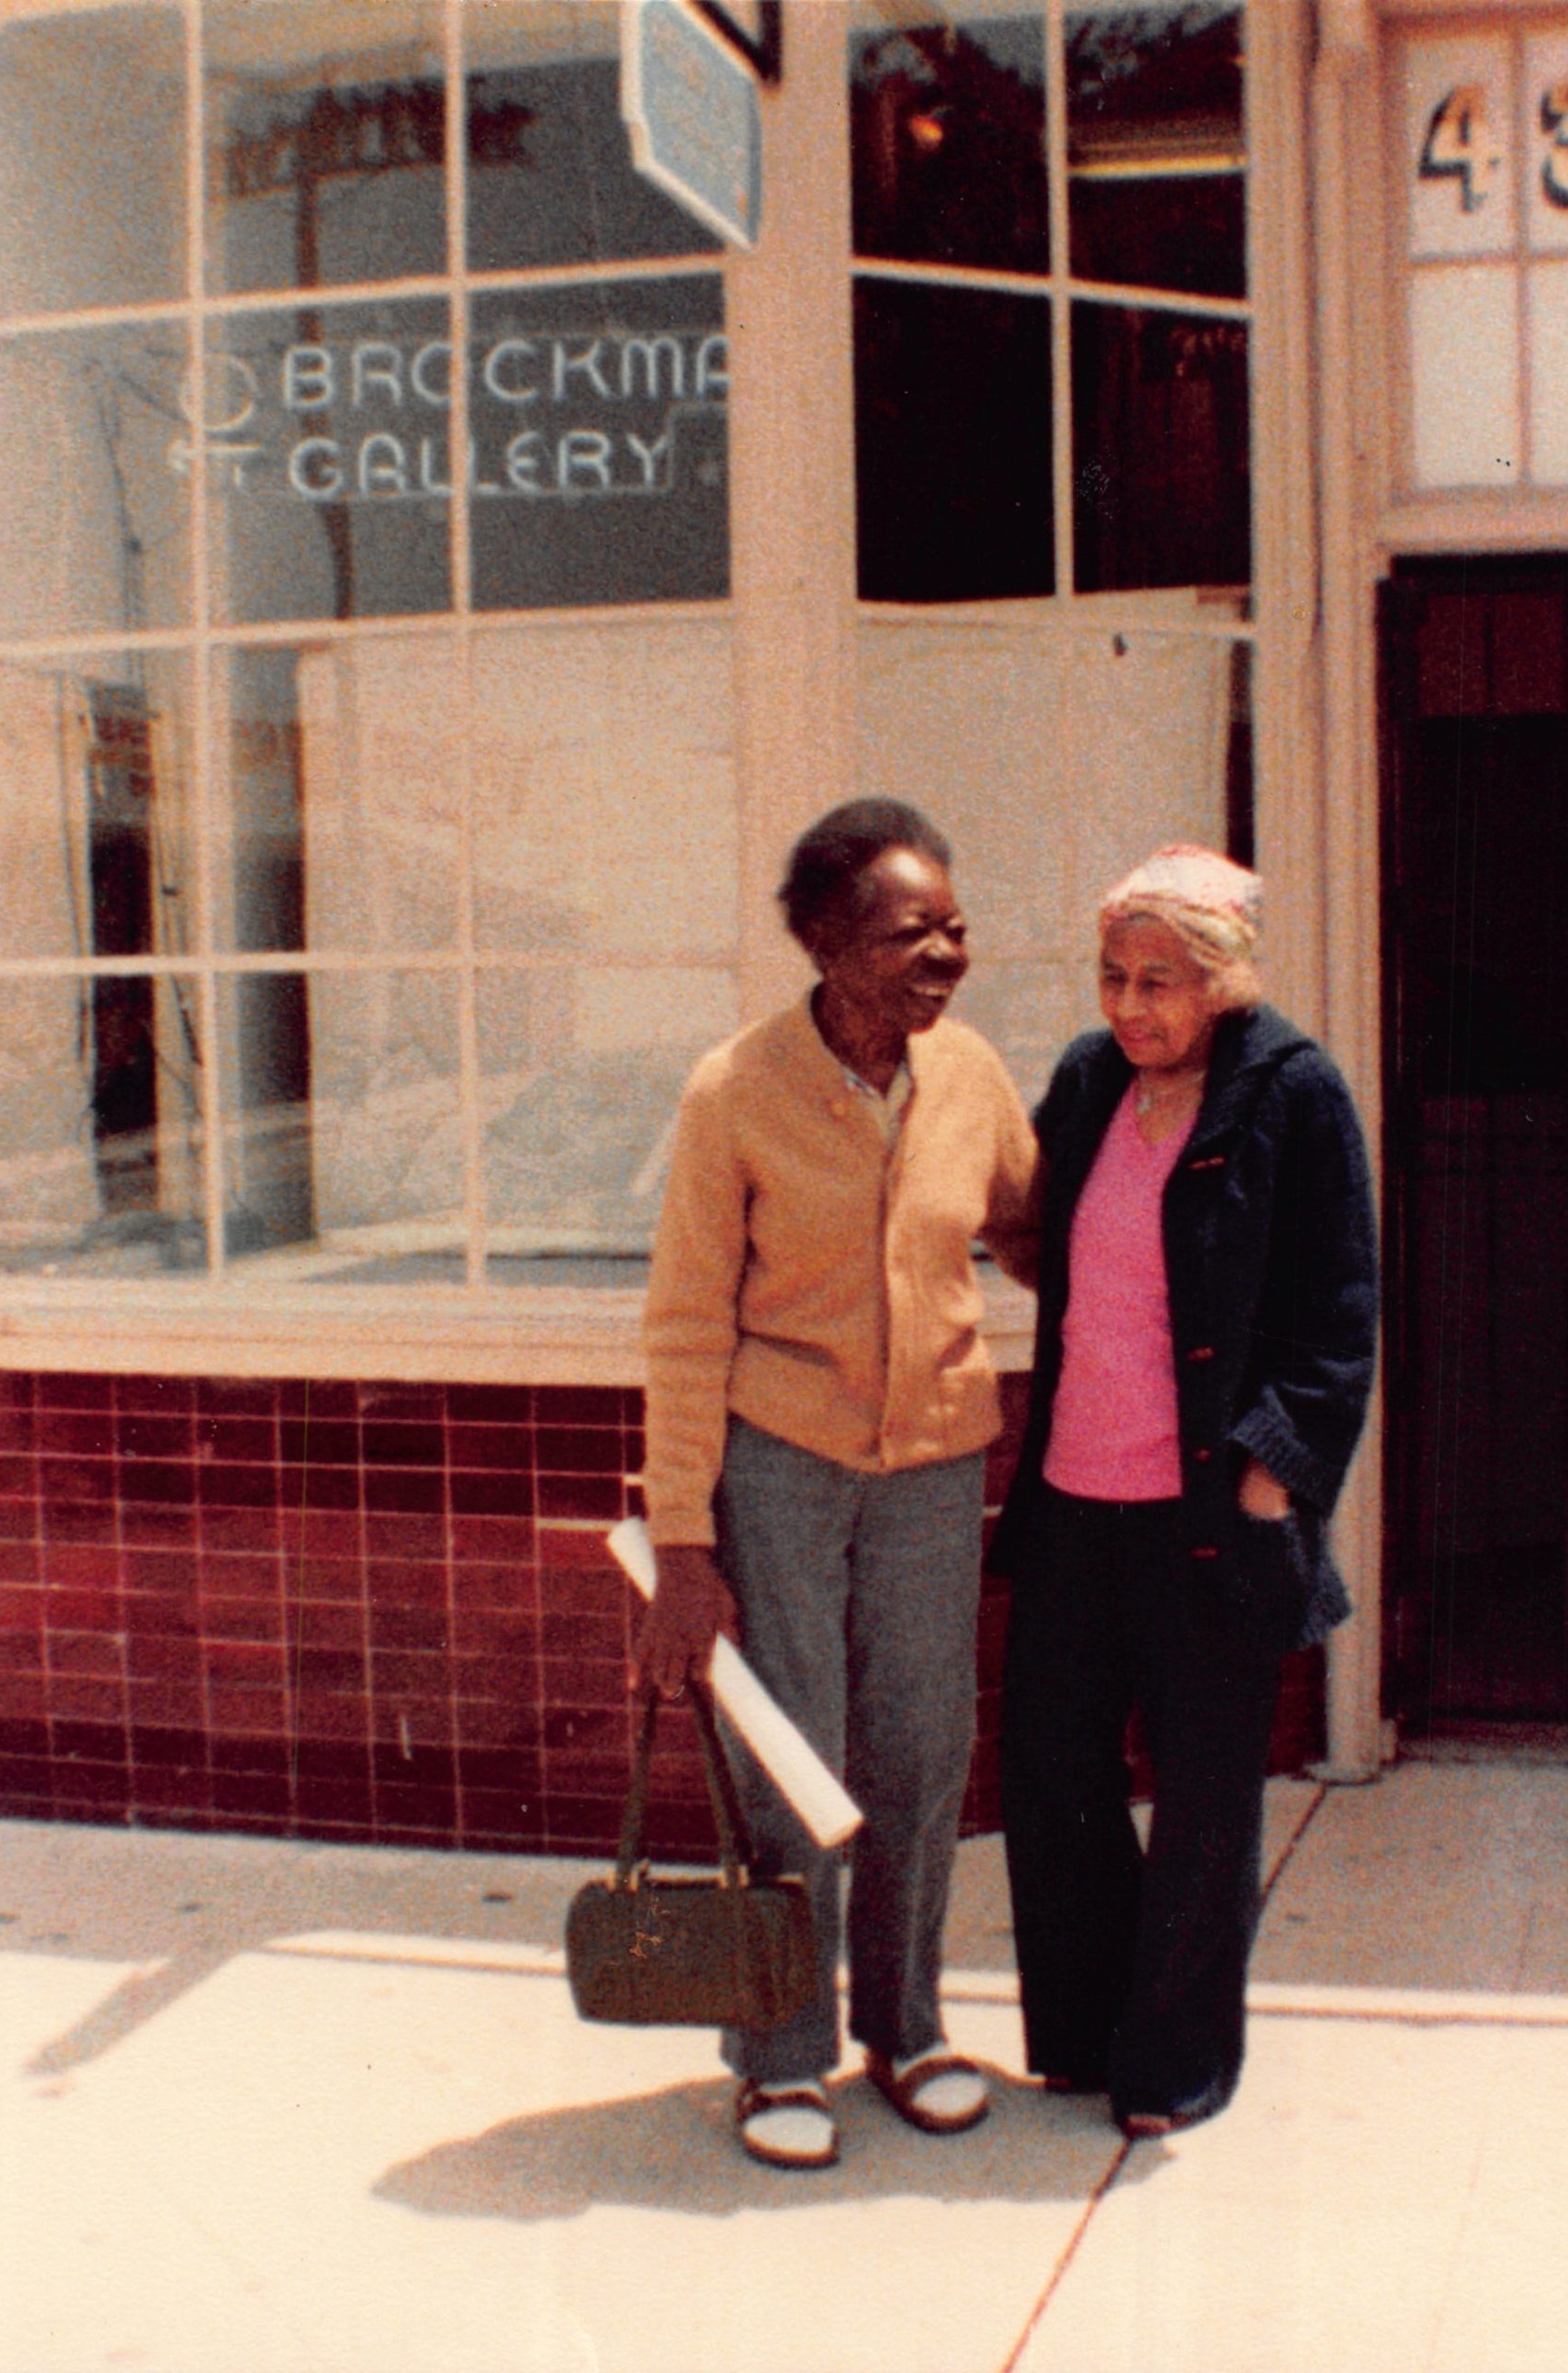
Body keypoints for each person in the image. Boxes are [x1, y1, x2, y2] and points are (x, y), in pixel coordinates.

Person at [637, 798, 1039, 2171]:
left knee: (923, 1751)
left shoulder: (973, 1077)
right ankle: (782, 2058)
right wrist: (682, 1540)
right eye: (907, 932)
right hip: (782, 1466)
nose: (943, 954)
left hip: (933, 1463)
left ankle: (910, 2029)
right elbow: (689, 1322)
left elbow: (1034, 1229)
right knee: (791, 1761)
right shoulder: (735, 1090)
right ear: (820, 940)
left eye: (954, 927)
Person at [990, 844, 1376, 2141]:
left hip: (1212, 1512)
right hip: (1070, 1501)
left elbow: (1338, 1316)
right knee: (1052, 1773)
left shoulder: (1294, 1094)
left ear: (1222, 981)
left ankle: (1177, 2062)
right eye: (1114, 976)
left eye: (1162, 980)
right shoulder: (1090, 1082)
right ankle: (1094, 2033)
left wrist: (1271, 1483)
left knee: (1207, 1796)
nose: (1132, 1006)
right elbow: (1043, 1239)